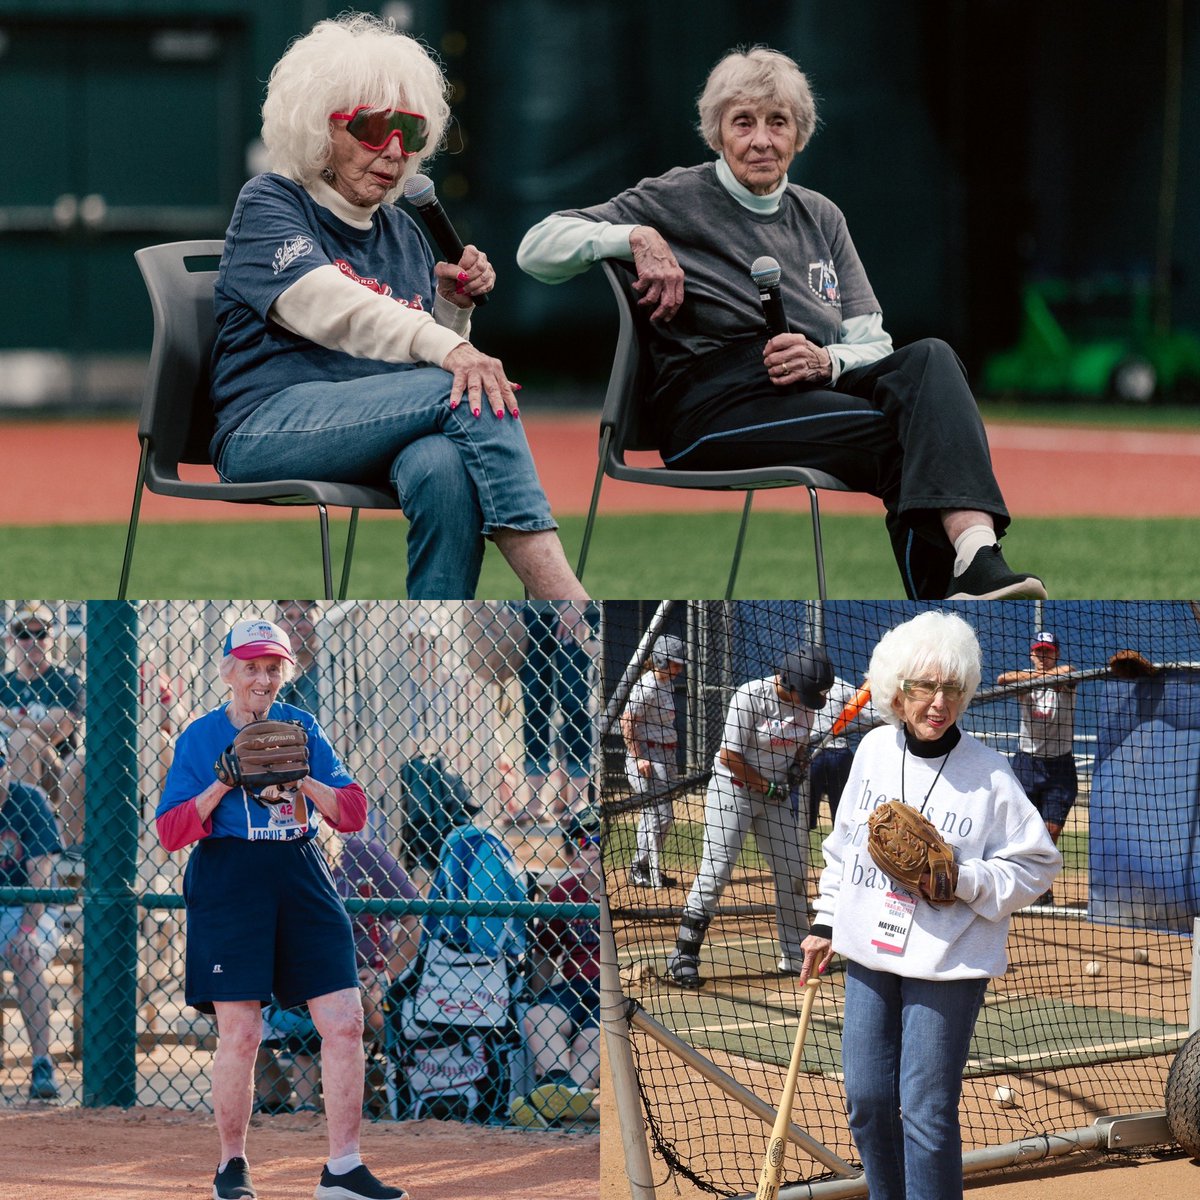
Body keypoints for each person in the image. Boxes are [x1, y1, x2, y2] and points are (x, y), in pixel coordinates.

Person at [517, 46, 1045, 601]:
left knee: (931, 356)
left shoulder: (822, 214)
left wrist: (826, 359)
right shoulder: (676, 195)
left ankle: (975, 561)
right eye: (743, 123)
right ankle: (961, 591)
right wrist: (634, 236)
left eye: (778, 123)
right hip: (710, 406)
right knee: (913, 444)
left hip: (809, 386)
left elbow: (873, 343)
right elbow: (535, 248)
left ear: (799, 135)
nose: (761, 140)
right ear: (717, 132)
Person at [211, 12, 588, 602]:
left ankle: (434, 643)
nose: (393, 151)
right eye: (373, 128)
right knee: (466, 385)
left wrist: (451, 311)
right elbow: (330, 307)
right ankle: (564, 600)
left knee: (442, 464)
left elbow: (410, 363)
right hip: (265, 425)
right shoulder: (271, 201)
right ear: (319, 125)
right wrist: (452, 346)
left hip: (366, 425)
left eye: (409, 134)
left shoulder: (404, 232)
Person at [798, 611, 1062, 1200]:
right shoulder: (871, 750)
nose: (939, 702)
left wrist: (962, 880)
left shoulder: (990, 774)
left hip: (949, 960)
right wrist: (824, 919)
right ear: (898, 690)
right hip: (870, 950)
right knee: (866, 1102)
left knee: (925, 1112)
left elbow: (1039, 864)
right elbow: (843, 847)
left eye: (952, 688)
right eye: (925, 687)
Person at [155, 615, 405, 1200]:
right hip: (230, 874)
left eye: (273, 667)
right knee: (241, 1031)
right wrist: (223, 782)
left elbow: (352, 812)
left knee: (344, 1019)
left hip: (300, 868)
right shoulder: (198, 737)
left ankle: (343, 1170)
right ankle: (231, 1167)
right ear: (228, 672)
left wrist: (303, 781)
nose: (263, 678)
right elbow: (170, 831)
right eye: (252, 667)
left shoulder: (302, 725)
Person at [666, 647, 833, 988]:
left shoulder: (807, 705)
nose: (806, 702)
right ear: (787, 680)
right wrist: (768, 786)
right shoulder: (750, 697)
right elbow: (729, 755)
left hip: (774, 797)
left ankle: (794, 951)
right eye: (803, 694)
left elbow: (798, 746)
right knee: (716, 871)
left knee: (793, 871)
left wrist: (797, 768)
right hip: (735, 790)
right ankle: (684, 954)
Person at [511, 809, 600, 1128]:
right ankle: (560, 1097)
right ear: (573, 855)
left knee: (590, 1041)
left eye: (601, 840)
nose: (594, 849)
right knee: (538, 1016)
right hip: (576, 985)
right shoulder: (564, 893)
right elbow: (546, 955)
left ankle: (549, 1107)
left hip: (609, 990)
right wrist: (531, 995)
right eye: (585, 842)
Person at [0, 730, 64, 1101]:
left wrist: (27, 929)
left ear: (7, 765)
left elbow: (40, 877)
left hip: (31, 910)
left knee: (28, 955)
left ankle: (41, 1063)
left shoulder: (29, 800)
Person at [996, 630, 1077, 906]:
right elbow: (1002, 679)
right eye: (1039, 652)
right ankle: (1025, 888)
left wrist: (1046, 678)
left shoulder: (1066, 679)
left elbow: (1070, 672)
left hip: (1060, 766)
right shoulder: (1025, 680)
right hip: (1027, 764)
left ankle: (1041, 886)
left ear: (1056, 654)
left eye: (1048, 651)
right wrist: (1034, 678)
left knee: (1049, 831)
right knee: (1020, 830)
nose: (1043, 656)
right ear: (1032, 655)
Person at [0, 605, 85, 851]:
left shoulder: (66, 680)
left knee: (22, 740)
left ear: (51, 639)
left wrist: (6, 715)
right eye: (25, 634)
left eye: (41, 634)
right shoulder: (4, 684)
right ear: (11, 640)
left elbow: (56, 729)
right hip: (4, 770)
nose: (32, 641)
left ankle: (21, 836)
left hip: (56, 773)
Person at [516, 602, 597, 822]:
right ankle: (534, 802)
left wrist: (577, 602)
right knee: (534, 705)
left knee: (575, 704)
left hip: (575, 608)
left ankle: (579, 800)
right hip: (532, 611)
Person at [621, 634, 686, 888]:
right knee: (659, 815)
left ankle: (649, 868)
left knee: (659, 816)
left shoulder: (666, 683)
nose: (678, 668)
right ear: (661, 660)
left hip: (665, 754)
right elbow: (627, 721)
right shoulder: (647, 685)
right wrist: (638, 758)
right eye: (674, 663)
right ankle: (640, 868)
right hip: (648, 755)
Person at [801, 673, 878, 830]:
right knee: (842, 815)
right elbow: (872, 716)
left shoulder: (802, 685)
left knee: (804, 818)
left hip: (812, 755)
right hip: (838, 756)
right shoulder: (841, 684)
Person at [275, 600, 323, 715]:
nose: (296, 625)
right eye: (288, 617)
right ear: (275, 623)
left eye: (305, 616)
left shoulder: (336, 670)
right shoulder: (267, 674)